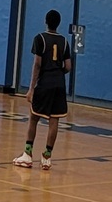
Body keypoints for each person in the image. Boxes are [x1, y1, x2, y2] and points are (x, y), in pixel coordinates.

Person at [13, 10, 71, 171]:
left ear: (46, 21)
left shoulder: (40, 38)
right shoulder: (65, 41)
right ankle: (47, 156)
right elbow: (68, 66)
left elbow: (37, 64)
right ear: (58, 23)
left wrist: (31, 88)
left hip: (44, 83)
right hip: (59, 84)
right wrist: (58, 73)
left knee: (33, 118)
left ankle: (27, 154)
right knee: (54, 120)